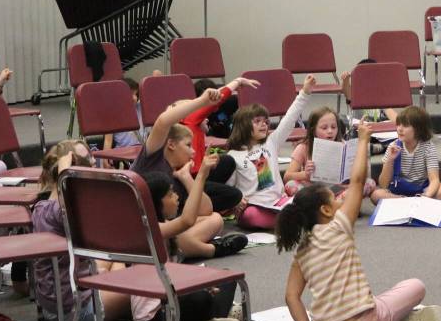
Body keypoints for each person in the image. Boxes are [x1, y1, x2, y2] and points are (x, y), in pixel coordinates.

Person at [277, 123, 441, 321]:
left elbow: (291, 296)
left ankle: (395, 318)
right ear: (326, 210)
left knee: (378, 301)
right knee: (415, 286)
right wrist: (363, 140)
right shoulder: (339, 226)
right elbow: (357, 182)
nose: (340, 201)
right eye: (335, 199)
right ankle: (400, 319)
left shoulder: (302, 251)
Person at [133, 154, 242, 321]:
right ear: (155, 203)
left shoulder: (163, 223)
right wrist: (201, 175)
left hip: (172, 300)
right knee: (202, 298)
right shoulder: (149, 229)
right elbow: (187, 220)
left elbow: (172, 277)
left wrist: (201, 284)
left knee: (227, 278)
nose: (176, 197)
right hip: (153, 320)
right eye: (170, 194)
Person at [130, 87, 247, 259]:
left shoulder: (180, 170)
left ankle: (183, 249)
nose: (193, 151)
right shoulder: (153, 158)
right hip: (137, 227)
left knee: (215, 219)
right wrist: (202, 102)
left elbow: (206, 210)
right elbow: (163, 121)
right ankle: (210, 249)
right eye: (188, 145)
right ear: (171, 145)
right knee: (173, 238)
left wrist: (194, 177)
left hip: (164, 227)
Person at [31, 139, 131, 321]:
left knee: (115, 257)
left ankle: (112, 283)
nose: (94, 166)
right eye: (88, 163)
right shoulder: (60, 209)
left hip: (59, 300)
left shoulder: (41, 206)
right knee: (142, 292)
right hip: (74, 309)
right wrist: (66, 173)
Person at [224, 74, 315, 230]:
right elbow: (229, 187)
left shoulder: (271, 142)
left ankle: (287, 218)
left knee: (307, 199)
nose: (264, 125)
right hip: (254, 207)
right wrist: (236, 202)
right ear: (243, 125)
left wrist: (304, 93)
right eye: (257, 121)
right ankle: (291, 220)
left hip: (279, 202)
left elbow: (289, 119)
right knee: (251, 216)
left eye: (266, 121)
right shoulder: (233, 155)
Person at [181, 75, 259, 214]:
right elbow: (216, 99)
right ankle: (197, 208)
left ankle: (213, 203)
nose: (207, 119)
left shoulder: (196, 129)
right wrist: (238, 81)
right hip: (190, 182)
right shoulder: (190, 122)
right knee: (235, 196)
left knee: (227, 161)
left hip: (200, 175)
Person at [282, 106, 376, 198]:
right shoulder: (303, 148)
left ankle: (337, 201)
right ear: (313, 130)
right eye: (324, 128)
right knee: (291, 185)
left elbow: (358, 175)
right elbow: (287, 177)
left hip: (339, 190)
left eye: (334, 127)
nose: (330, 131)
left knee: (369, 183)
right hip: (313, 192)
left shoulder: (343, 145)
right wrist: (305, 174)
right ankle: (336, 202)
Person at [371, 105, 441, 204]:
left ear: (418, 129)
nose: (400, 129)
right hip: (398, 193)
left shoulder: (428, 147)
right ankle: (411, 203)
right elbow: (383, 184)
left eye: (405, 126)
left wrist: (427, 195)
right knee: (376, 195)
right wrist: (390, 159)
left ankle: (415, 202)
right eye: (398, 125)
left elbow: (434, 180)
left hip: (422, 191)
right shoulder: (393, 146)